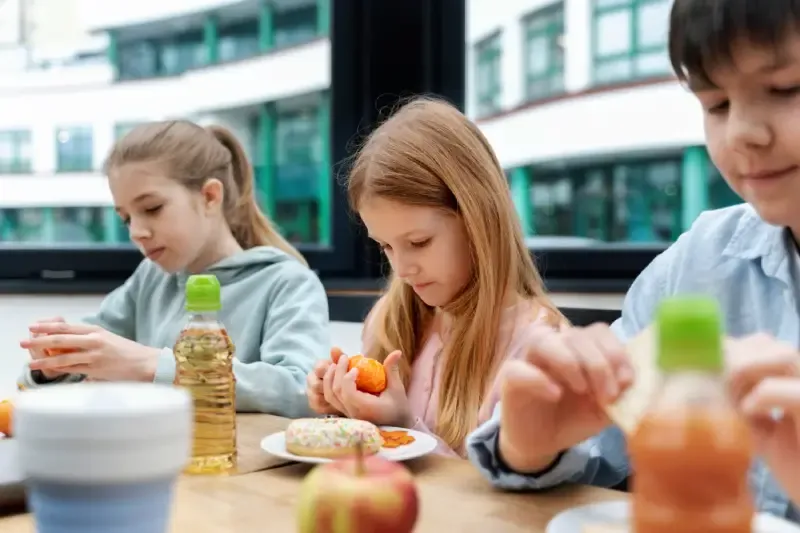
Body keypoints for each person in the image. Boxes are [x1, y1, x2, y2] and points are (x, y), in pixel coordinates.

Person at [465, 0, 800, 521]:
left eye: (786, 88)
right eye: (715, 104)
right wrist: (529, 446)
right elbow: (587, 443)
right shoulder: (698, 265)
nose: (740, 133)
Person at [305, 97, 567, 456]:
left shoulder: (539, 350)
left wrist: (403, 427)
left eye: (418, 242)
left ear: (478, 219)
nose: (402, 269)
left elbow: (505, 486)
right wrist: (346, 411)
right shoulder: (387, 321)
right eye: (386, 246)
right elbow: (372, 462)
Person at [18, 120, 329, 417]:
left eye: (152, 208)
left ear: (210, 197)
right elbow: (74, 364)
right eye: (126, 218)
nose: (136, 232)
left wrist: (152, 365)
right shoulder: (151, 278)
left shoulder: (287, 283)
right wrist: (54, 366)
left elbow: (302, 391)